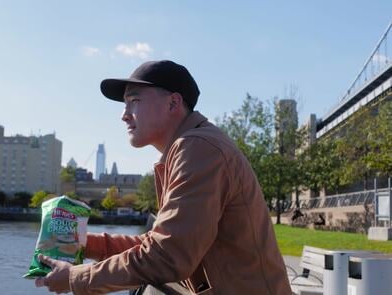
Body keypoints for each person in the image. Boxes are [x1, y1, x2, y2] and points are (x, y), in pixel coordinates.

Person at [35, 60, 291, 294]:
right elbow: (159, 242)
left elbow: (167, 256)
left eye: (134, 101)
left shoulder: (198, 149)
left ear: (173, 103)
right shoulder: (191, 147)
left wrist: (75, 278)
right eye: (125, 104)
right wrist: (83, 243)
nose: (124, 114)